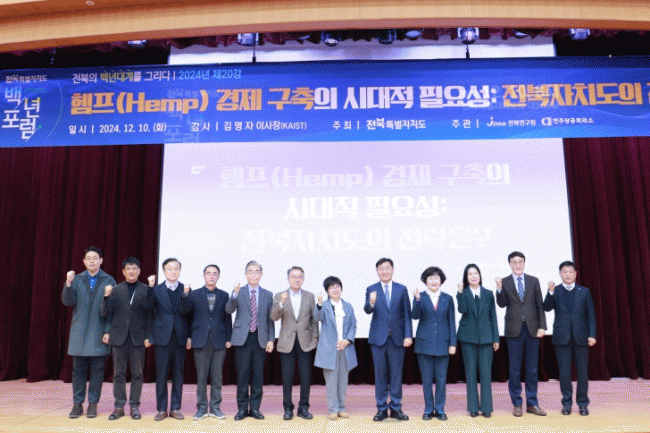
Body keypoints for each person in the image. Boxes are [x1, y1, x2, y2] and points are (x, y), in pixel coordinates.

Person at [62, 246, 116, 419]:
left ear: (101, 260)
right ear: (84, 261)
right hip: (79, 332)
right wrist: (68, 283)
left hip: (99, 332)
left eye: (95, 257)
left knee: (97, 371)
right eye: (88, 258)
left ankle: (93, 404)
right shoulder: (77, 279)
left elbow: (113, 309)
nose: (92, 260)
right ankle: (77, 404)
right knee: (78, 371)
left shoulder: (109, 280)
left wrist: (108, 330)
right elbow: (68, 301)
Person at [101, 257, 155, 420]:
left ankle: (134, 406)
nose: (131, 271)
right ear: (123, 272)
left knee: (137, 374)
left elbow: (151, 314)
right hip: (119, 337)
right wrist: (106, 297)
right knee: (118, 374)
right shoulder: (116, 290)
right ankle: (119, 407)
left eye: (134, 268)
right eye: (128, 269)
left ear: (139, 271)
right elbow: (106, 312)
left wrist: (149, 336)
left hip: (138, 338)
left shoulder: (146, 289)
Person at [496, 251, 547, 417]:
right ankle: (517, 404)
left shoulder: (533, 280)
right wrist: (499, 289)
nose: (517, 265)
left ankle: (532, 403)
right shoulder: (505, 281)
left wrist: (542, 326)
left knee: (532, 369)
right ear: (510, 264)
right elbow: (502, 304)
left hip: (532, 329)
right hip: (514, 330)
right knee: (515, 369)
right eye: (514, 262)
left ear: (524, 263)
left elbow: (539, 305)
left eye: (520, 262)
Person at [543, 261, 596, 416]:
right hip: (562, 338)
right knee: (564, 373)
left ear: (575, 273)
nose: (567, 274)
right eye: (564, 272)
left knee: (582, 373)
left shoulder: (584, 291)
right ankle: (566, 403)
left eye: (570, 271)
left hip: (581, 337)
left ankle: (582, 404)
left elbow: (591, 315)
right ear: (560, 274)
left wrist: (592, 335)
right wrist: (550, 292)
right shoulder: (556, 290)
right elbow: (546, 307)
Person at [180, 264, 232, 420]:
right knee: (201, 377)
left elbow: (227, 318)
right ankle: (202, 408)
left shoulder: (224, 295)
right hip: (200, 339)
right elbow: (188, 315)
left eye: (215, 273)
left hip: (219, 340)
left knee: (217, 377)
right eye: (208, 273)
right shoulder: (194, 294)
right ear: (204, 276)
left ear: (218, 277)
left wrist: (228, 338)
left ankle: (215, 407)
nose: (211, 276)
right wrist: (189, 336)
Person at [364, 258, 413, 421]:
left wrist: (408, 335)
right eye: (381, 268)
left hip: (397, 339)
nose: (384, 271)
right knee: (380, 376)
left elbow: (407, 314)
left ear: (392, 269)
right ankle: (381, 409)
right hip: (378, 339)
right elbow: (367, 310)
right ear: (377, 271)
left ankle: (396, 408)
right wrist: (371, 303)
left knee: (396, 376)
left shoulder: (401, 289)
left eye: (387, 268)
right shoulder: (371, 289)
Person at [225, 261, 275, 420]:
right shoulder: (238, 291)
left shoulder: (268, 294)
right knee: (242, 374)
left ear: (261, 274)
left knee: (258, 376)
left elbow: (270, 320)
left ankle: (254, 408)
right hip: (242, 338)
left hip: (260, 338)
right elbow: (229, 310)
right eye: (250, 271)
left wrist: (271, 339)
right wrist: (234, 295)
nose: (254, 274)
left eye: (257, 271)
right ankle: (241, 409)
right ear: (246, 274)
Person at [271, 266, 318, 420]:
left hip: (305, 341)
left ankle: (303, 408)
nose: (297, 279)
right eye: (293, 276)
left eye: (299, 276)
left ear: (303, 279)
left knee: (306, 377)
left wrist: (315, 337)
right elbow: (274, 317)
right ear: (288, 279)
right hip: (287, 341)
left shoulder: (310, 296)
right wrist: (281, 304)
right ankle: (288, 408)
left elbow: (314, 319)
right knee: (287, 378)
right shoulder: (280, 295)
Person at [148, 258, 190, 421]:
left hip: (180, 337)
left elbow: (189, 313)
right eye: (169, 269)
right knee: (161, 375)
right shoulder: (156, 289)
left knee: (178, 375)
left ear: (180, 271)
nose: (173, 272)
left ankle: (175, 408)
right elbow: (148, 309)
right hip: (161, 337)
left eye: (176, 269)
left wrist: (186, 295)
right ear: (164, 271)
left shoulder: (185, 289)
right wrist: (150, 288)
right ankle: (161, 409)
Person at [412, 267, 456, 421]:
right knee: (426, 380)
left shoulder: (448, 298)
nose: (433, 281)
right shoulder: (420, 296)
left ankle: (440, 408)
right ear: (425, 281)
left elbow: (451, 321)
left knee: (441, 380)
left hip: (443, 344)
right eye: (430, 278)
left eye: (436, 278)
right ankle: (428, 409)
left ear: (441, 281)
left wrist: (453, 343)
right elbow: (415, 315)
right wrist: (417, 300)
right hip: (424, 345)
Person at [456, 264, 499, 418]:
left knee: (486, 374)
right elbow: (462, 310)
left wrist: (495, 338)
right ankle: (473, 407)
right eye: (470, 274)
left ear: (480, 275)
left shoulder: (488, 293)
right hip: (468, 338)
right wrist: (460, 293)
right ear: (466, 278)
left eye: (476, 273)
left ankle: (487, 407)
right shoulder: (463, 292)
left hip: (486, 338)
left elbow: (493, 316)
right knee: (470, 374)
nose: (473, 276)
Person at [314, 276, 358, 420]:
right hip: (329, 349)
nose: (335, 289)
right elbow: (317, 317)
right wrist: (319, 304)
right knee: (331, 382)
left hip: (345, 348)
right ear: (327, 291)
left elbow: (353, 325)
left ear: (341, 288)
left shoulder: (348, 306)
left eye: (337, 286)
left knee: (343, 382)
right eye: (331, 287)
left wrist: (347, 340)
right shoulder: (324, 305)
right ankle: (333, 409)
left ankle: (342, 408)